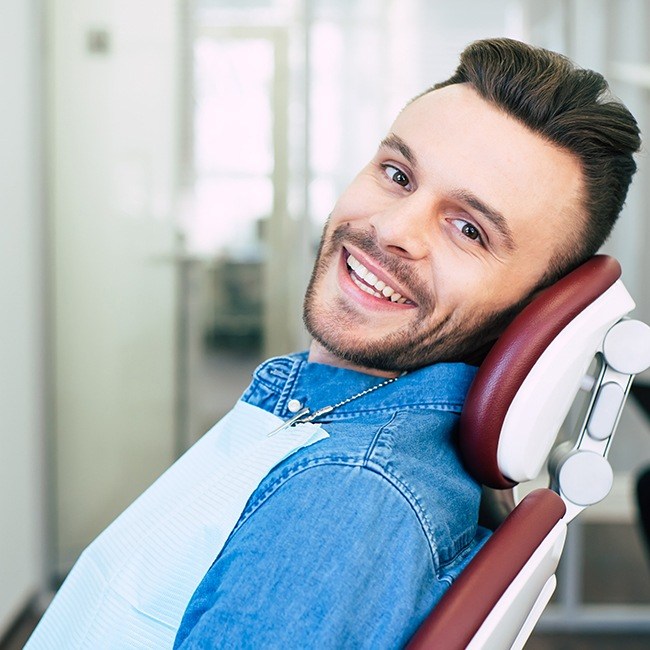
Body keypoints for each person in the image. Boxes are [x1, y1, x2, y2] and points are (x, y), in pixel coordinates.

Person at [28, 38, 640, 650]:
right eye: (398, 175)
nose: (392, 229)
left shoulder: (347, 492)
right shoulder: (326, 419)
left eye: (468, 230)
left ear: (532, 310)